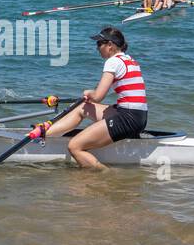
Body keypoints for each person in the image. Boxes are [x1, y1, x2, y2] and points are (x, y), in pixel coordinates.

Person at [43, 25, 147, 168]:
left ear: (110, 45)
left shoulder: (113, 62)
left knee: (74, 146)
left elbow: (98, 96)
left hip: (128, 118)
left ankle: (106, 174)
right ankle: (45, 133)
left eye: (99, 44)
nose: (97, 48)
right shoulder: (130, 60)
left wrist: (89, 93)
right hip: (139, 118)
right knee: (82, 108)